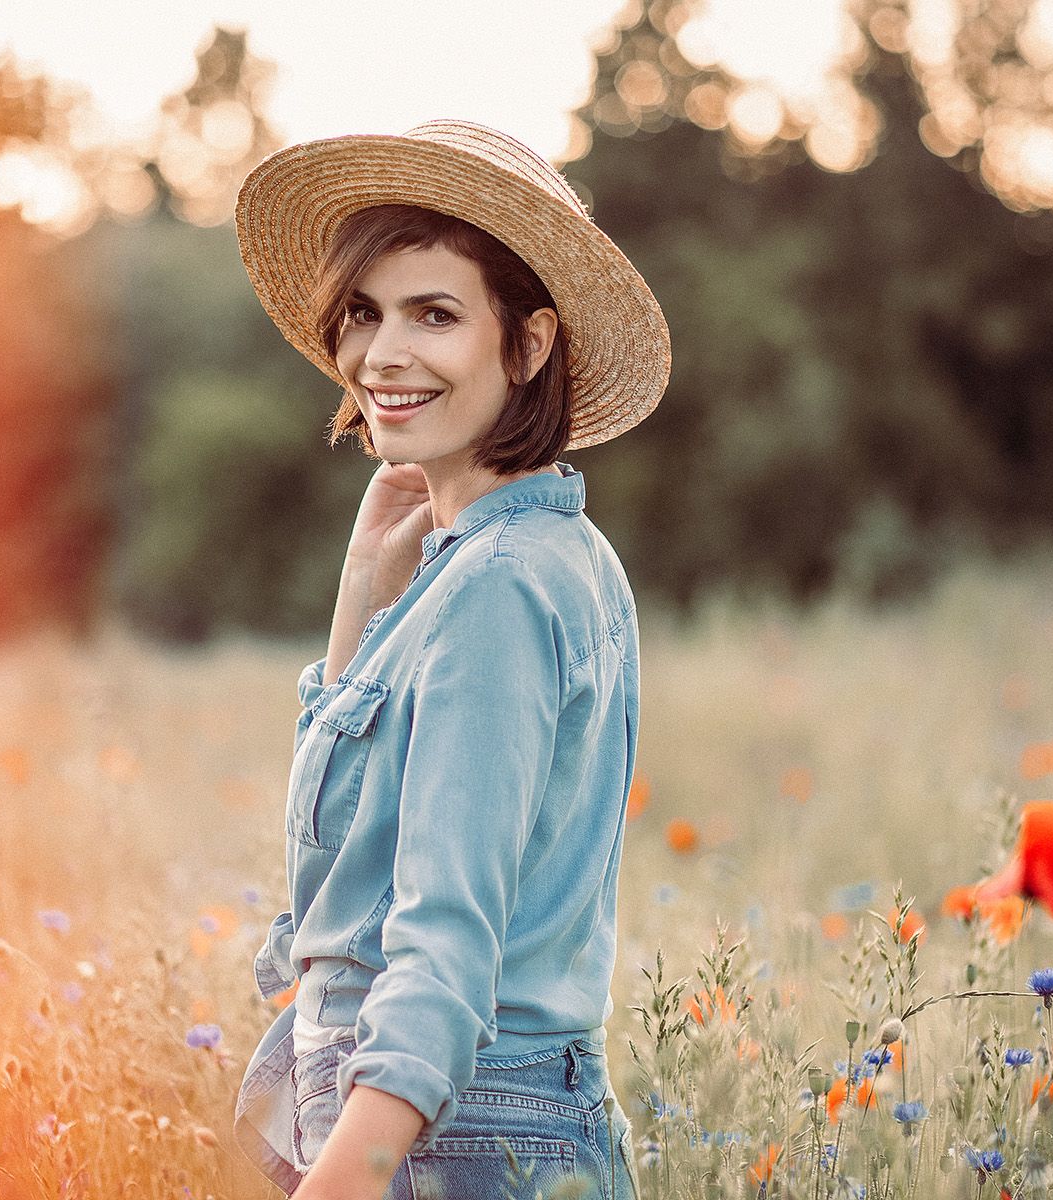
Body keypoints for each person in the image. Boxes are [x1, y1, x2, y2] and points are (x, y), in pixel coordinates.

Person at [229, 118, 671, 1200]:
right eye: (365, 314)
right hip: (465, 1123)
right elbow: (348, 870)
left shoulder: (500, 588)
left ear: (527, 345)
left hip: (448, 1138)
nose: (383, 353)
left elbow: (441, 954)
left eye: (436, 314)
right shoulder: (540, 553)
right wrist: (363, 599)